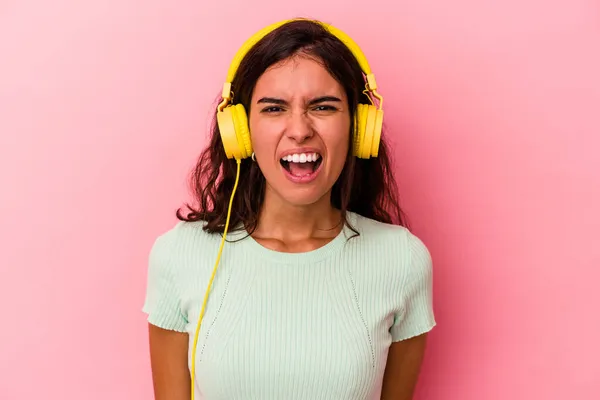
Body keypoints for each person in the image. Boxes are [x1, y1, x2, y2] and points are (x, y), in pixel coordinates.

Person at [142, 18, 436, 400]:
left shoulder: (402, 260)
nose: (299, 130)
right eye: (274, 108)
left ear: (359, 127)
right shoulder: (179, 256)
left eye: (323, 107)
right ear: (240, 131)